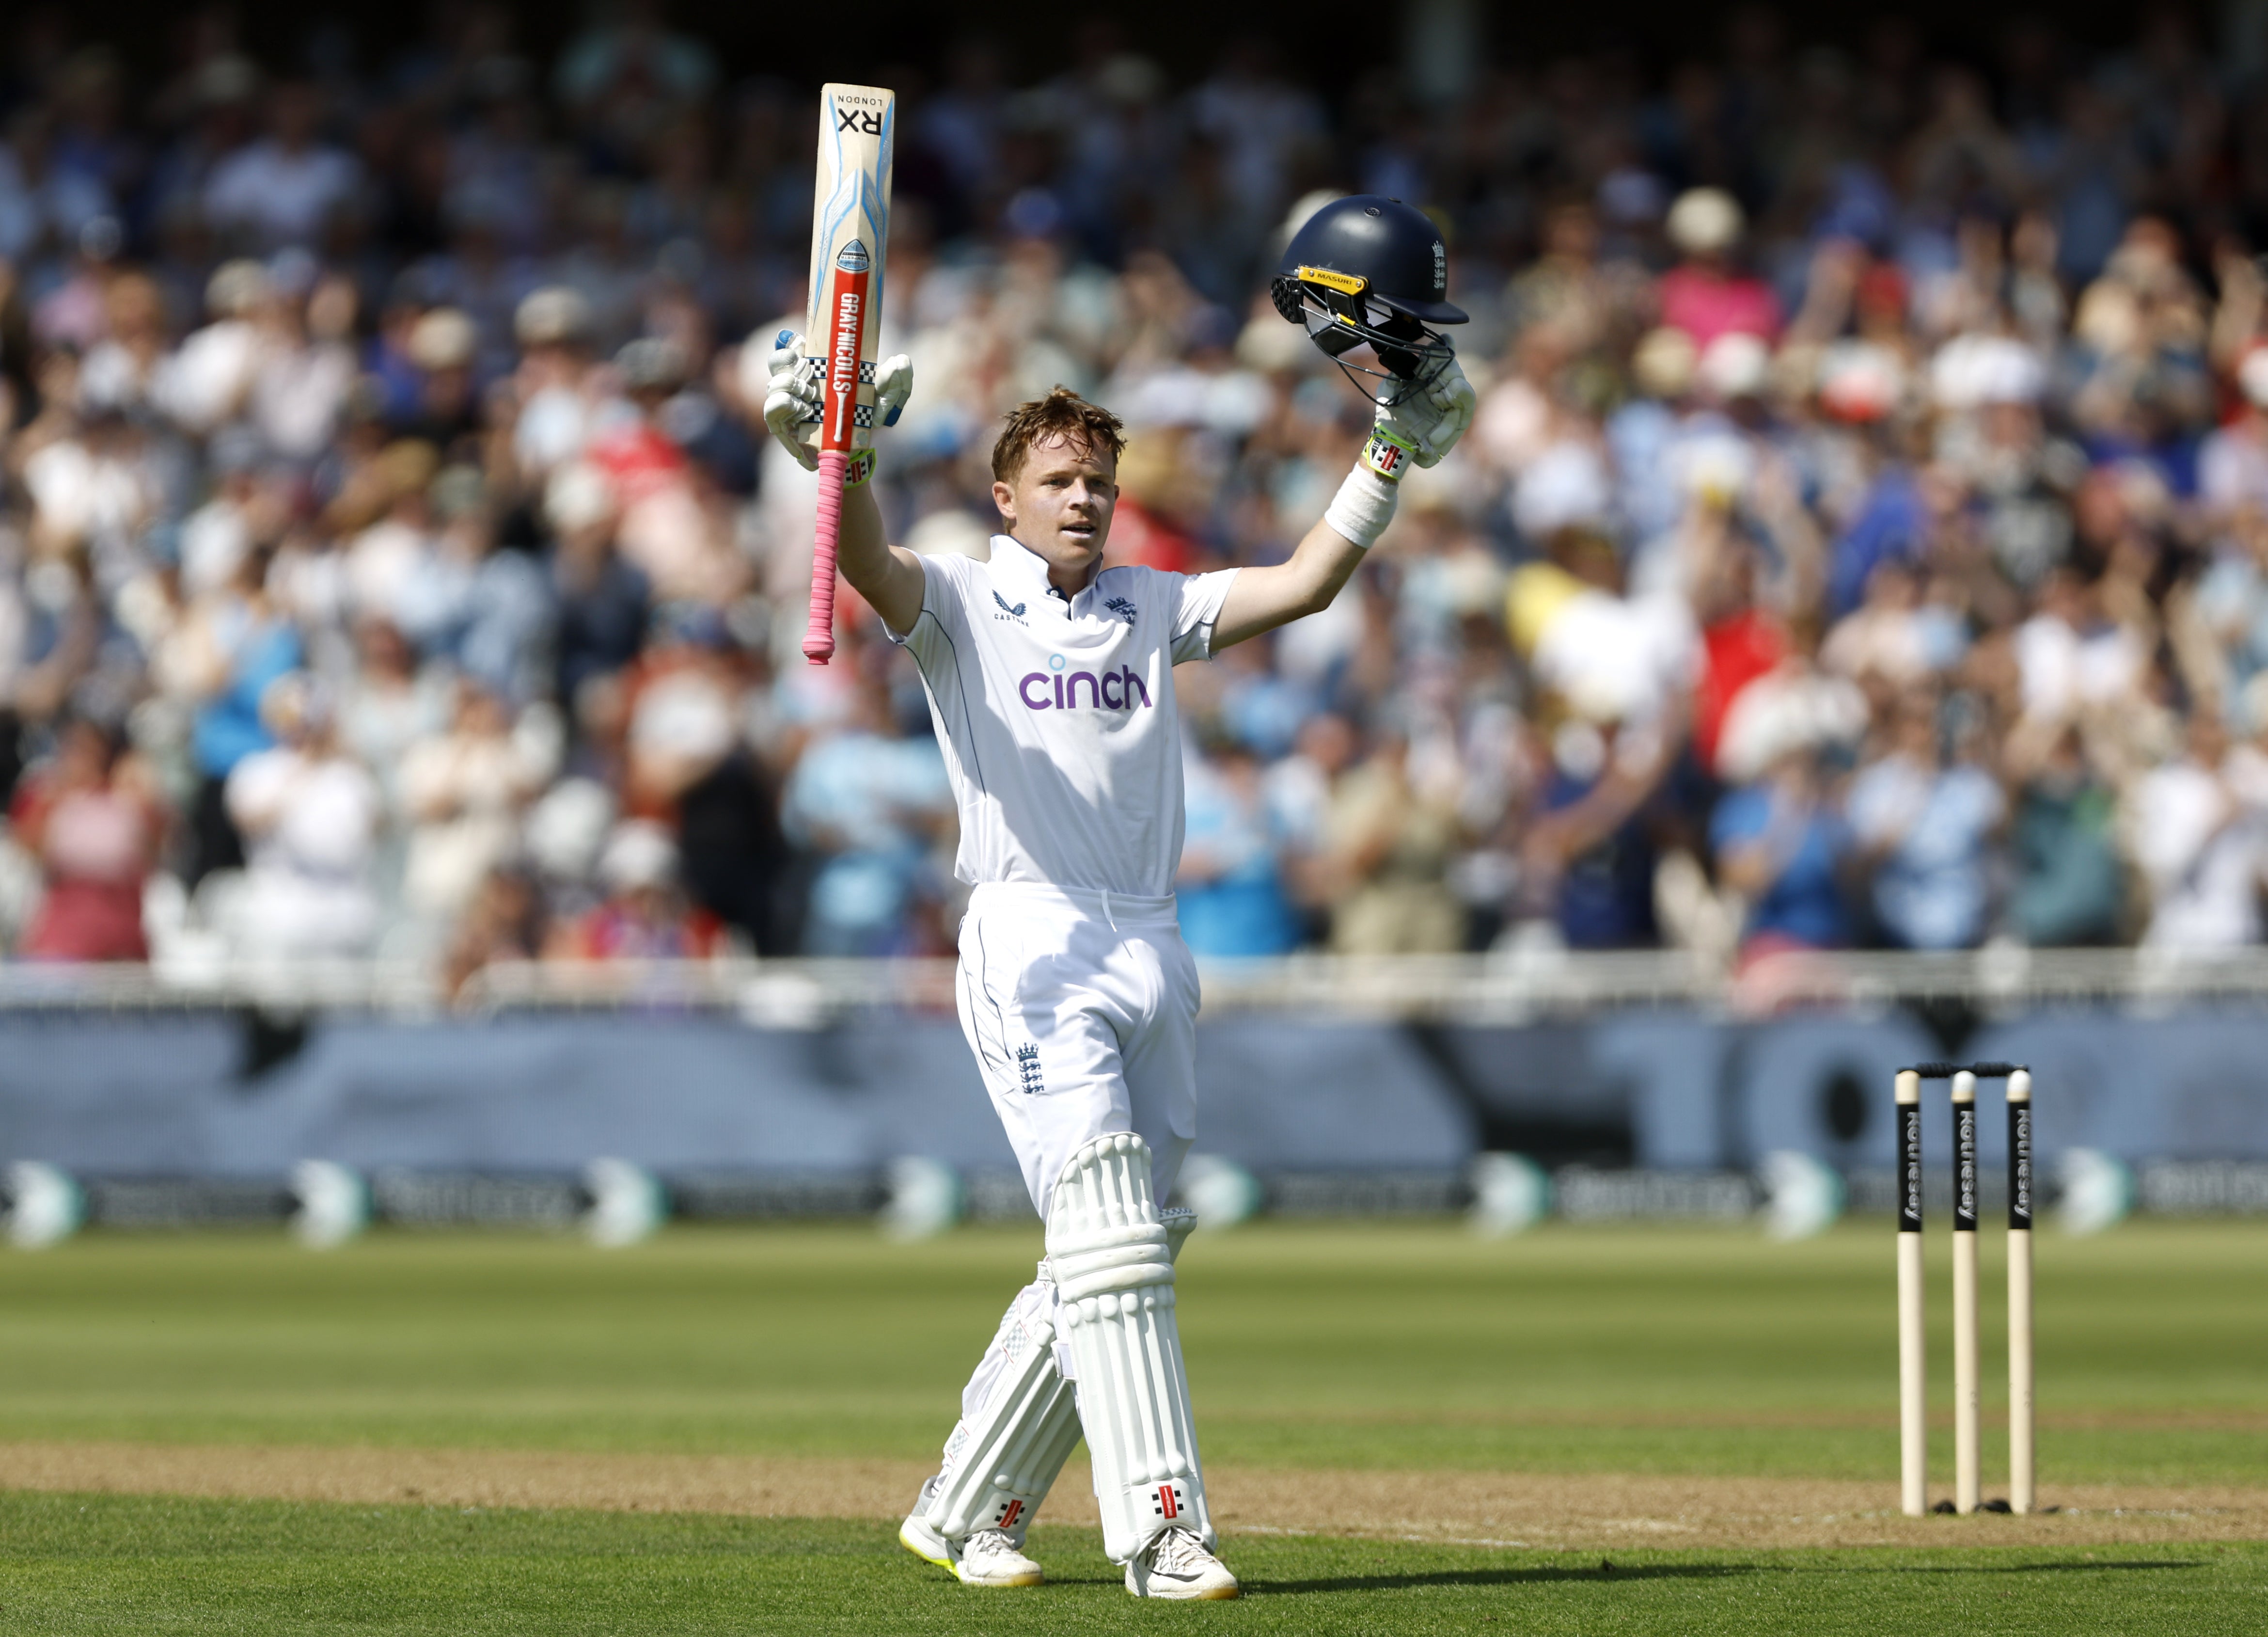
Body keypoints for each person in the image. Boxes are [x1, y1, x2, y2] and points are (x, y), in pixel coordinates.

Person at [760, 193, 1474, 1601]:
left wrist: (1391, 447)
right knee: (1106, 1229)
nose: (1086, 498)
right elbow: (868, 562)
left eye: (1101, 479)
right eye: (1060, 481)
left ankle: (967, 1504)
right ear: (1007, 496)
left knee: (1132, 1237)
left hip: (1151, 938)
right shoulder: (965, 602)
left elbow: (1314, 583)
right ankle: (1160, 1528)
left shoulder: (1154, 606)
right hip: (1028, 933)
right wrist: (835, 454)